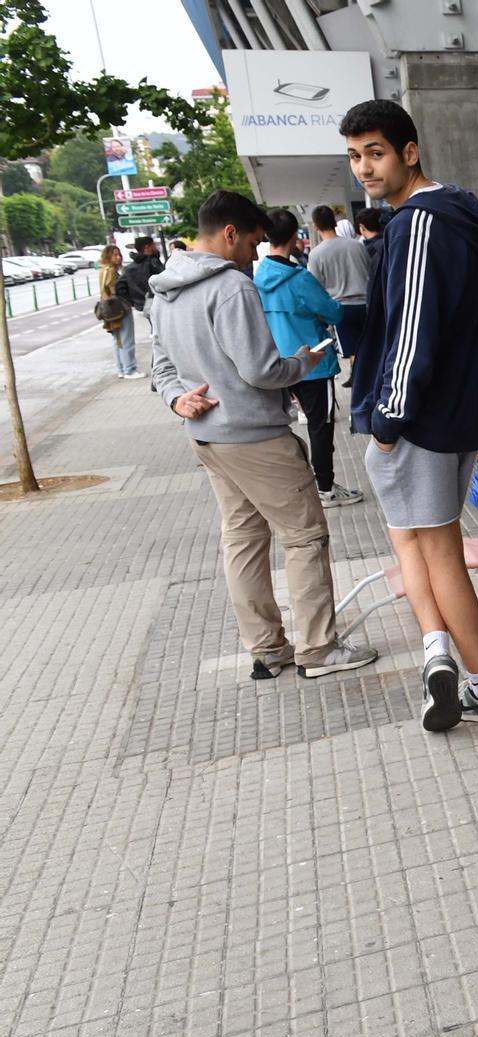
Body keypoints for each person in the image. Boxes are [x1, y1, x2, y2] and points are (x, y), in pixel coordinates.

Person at [149, 190, 378, 682]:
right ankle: (318, 648)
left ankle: (268, 648)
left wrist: (176, 399)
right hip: (255, 435)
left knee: (244, 540)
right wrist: (304, 361)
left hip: (208, 435)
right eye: (252, 242)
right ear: (230, 233)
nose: (254, 254)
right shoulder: (231, 287)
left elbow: (161, 368)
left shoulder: (163, 290)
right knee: (304, 536)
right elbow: (261, 369)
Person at [342, 97, 478, 731]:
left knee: (435, 548)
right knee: (413, 538)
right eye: (356, 155)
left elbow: (412, 332)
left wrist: (387, 421)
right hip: (456, 412)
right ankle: (436, 653)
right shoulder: (460, 215)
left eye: (376, 153)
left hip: (418, 418)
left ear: (409, 152)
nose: (364, 167)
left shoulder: (419, 223)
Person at [254, 207, 362, 507]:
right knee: (320, 427)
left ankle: (298, 486)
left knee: (285, 427)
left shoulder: (257, 277)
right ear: (294, 236)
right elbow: (333, 312)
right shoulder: (298, 277)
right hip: (312, 362)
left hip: (276, 364)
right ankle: (325, 488)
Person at [305, 204, 370, 371]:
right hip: (366, 306)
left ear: (315, 226)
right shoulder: (357, 245)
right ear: (334, 222)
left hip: (341, 310)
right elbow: (370, 273)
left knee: (354, 355)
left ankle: (360, 388)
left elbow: (315, 288)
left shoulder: (316, 254)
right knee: (371, 351)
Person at [118, 236, 166, 382]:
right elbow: (166, 279)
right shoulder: (153, 262)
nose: (155, 248)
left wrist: (135, 302)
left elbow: (120, 287)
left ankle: (159, 372)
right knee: (164, 339)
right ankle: (161, 373)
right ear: (147, 247)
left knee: (158, 337)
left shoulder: (130, 267)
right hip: (160, 303)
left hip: (145, 307)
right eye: (153, 245)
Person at [97, 246, 140, 379]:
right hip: (118, 307)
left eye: (119, 255)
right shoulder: (110, 271)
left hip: (109, 308)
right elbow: (110, 288)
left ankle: (122, 368)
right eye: (114, 255)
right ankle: (129, 369)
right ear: (108, 257)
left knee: (118, 339)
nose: (118, 257)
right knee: (126, 338)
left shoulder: (103, 270)